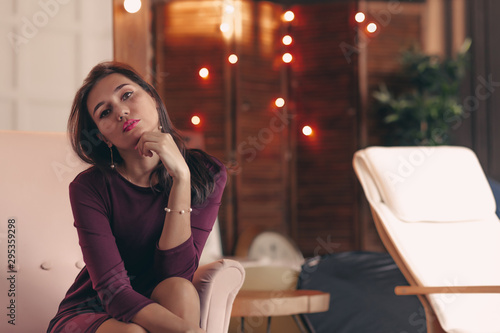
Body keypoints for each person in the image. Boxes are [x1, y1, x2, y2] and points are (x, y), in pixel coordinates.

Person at [47, 62, 227, 333]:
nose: (121, 111)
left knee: (180, 289)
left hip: (162, 299)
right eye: (105, 112)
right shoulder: (89, 188)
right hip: (94, 309)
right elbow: (113, 291)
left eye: (127, 95)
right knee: (132, 332)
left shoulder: (207, 173)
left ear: (153, 98)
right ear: (102, 137)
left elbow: (176, 274)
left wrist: (181, 178)